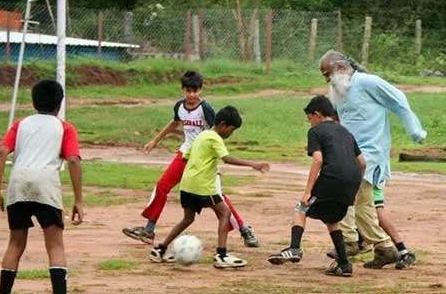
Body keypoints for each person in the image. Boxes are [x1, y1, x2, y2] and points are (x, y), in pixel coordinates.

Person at [0, 80, 85, 294]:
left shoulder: (21, 124)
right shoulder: (64, 128)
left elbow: (1, 152)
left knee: (15, 243)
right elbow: (73, 160)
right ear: (60, 103)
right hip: (45, 184)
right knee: (54, 244)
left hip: (18, 183)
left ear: (33, 102)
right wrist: (78, 199)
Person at [122, 71, 258, 247]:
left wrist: (214, 163)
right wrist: (155, 140)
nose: (192, 95)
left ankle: (244, 229)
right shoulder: (179, 106)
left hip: (202, 158)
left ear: (201, 90)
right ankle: (149, 230)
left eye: (195, 91)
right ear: (183, 90)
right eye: (188, 91)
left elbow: (216, 132)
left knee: (218, 198)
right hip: (185, 153)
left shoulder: (205, 109)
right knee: (162, 186)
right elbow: (174, 123)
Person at [318, 50, 424, 269]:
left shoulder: (369, 83)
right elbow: (337, 119)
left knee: (343, 190)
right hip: (350, 152)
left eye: (328, 74)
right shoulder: (338, 90)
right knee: (363, 204)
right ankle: (384, 249)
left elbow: (399, 100)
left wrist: (414, 129)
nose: (327, 79)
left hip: (372, 153)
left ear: (340, 68)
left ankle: (349, 241)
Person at [149, 106, 269, 269]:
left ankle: (160, 249)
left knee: (188, 218)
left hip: (187, 185)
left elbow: (186, 156)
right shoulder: (214, 138)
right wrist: (253, 164)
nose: (230, 134)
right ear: (223, 125)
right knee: (224, 213)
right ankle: (221, 255)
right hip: (203, 186)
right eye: (231, 130)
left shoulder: (200, 136)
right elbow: (226, 159)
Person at [268, 96, 364, 276]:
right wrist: (355, 189)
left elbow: (318, 159)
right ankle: (344, 264)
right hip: (351, 182)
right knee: (332, 219)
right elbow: (362, 163)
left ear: (317, 115)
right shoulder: (346, 133)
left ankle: (295, 248)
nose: (309, 123)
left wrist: (307, 191)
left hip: (331, 177)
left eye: (309, 118)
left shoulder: (316, 131)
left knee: (301, 208)